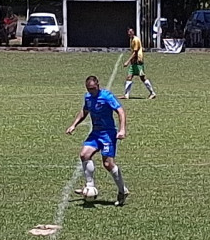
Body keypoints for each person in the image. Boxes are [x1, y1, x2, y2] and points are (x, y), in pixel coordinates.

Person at [66, 76, 130, 206]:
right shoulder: (88, 97)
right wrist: (74, 125)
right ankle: (90, 186)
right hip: (95, 133)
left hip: (108, 134)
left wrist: (122, 129)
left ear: (98, 86)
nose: (91, 92)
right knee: (84, 154)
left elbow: (120, 111)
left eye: (93, 89)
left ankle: (122, 191)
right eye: (89, 89)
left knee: (107, 164)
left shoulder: (107, 96)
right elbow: (84, 111)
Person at [121, 28, 156, 99]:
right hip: (134, 62)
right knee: (129, 77)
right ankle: (126, 95)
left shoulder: (136, 40)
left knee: (142, 77)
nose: (129, 33)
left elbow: (135, 52)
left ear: (133, 32)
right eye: (128, 32)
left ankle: (152, 93)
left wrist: (127, 61)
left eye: (131, 32)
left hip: (138, 61)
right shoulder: (131, 39)